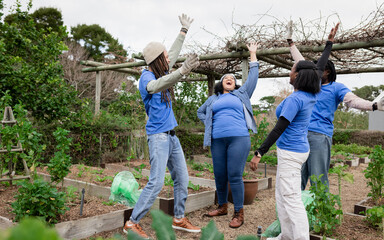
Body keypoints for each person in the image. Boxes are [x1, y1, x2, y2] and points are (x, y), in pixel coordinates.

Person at [250, 24, 340, 240]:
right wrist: (329, 43)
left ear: (298, 76)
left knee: (291, 199)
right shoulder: (309, 94)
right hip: (295, 150)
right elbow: (318, 68)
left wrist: (259, 153)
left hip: (291, 153)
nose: (290, 71)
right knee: (282, 196)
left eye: (292, 69)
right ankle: (287, 236)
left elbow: (278, 128)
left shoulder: (296, 100)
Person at [123, 14, 200, 239]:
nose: (169, 58)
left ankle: (178, 218)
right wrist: (181, 72)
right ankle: (132, 223)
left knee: (182, 179)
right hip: (158, 136)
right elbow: (157, 86)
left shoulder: (161, 70)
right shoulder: (147, 78)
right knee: (156, 183)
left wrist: (183, 31)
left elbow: (173, 54)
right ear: (157, 60)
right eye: (165, 57)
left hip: (172, 137)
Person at [283, 21, 384, 191]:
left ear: (327, 71)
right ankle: (297, 214)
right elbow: (300, 62)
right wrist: (290, 43)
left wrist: (373, 106)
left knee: (318, 177)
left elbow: (353, 101)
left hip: (319, 136)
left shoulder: (336, 88)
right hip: (300, 135)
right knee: (297, 178)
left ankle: (320, 215)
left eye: (317, 68)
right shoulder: (309, 86)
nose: (313, 71)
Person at [197, 41, 259, 228]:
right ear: (221, 83)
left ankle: (238, 212)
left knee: (234, 175)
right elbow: (200, 112)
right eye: (226, 77)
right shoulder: (213, 99)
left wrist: (253, 55)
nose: (230, 78)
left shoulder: (241, 94)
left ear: (235, 83)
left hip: (238, 138)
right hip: (217, 140)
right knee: (219, 174)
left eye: (232, 77)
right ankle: (222, 206)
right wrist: (210, 124)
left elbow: (253, 78)